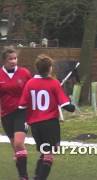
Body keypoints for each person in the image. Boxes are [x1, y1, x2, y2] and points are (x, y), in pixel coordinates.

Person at [18, 54, 75, 180]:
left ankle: (37, 175)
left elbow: (21, 105)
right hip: (50, 124)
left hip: (35, 126)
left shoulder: (30, 83)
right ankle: (39, 178)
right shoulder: (53, 83)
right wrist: (72, 106)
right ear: (49, 68)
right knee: (49, 153)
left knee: (45, 151)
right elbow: (66, 105)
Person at [0, 46, 32, 180]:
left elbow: (32, 89)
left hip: (22, 112)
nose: (13, 61)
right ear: (4, 61)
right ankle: (22, 173)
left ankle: (24, 176)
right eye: (10, 59)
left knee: (19, 143)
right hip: (6, 114)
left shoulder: (24, 73)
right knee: (16, 148)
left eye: (15, 58)